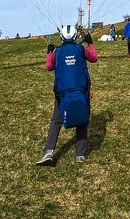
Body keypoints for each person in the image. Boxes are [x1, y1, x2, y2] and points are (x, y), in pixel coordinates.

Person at [36, 25, 98, 166]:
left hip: (62, 93)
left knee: (56, 121)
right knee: (82, 119)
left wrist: (49, 53)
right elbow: (94, 58)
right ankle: (80, 155)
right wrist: (91, 43)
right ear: (75, 37)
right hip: (81, 91)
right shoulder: (81, 49)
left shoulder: (57, 52)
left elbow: (49, 67)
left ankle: (48, 152)